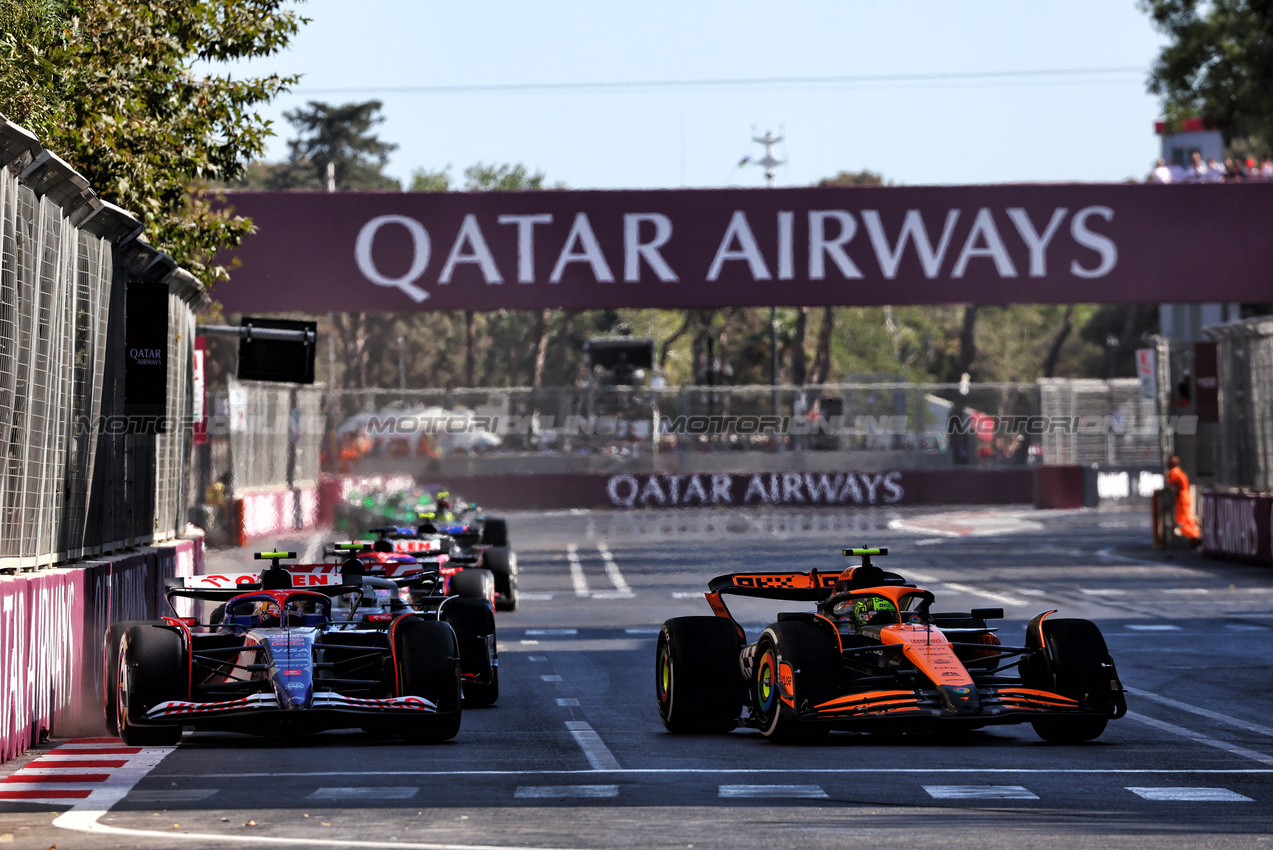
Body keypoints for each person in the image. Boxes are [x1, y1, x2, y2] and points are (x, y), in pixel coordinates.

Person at [1166, 455, 1201, 543]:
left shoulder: (1173, 472)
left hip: (1182, 497)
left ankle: (1194, 535)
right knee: (1186, 517)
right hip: (1185, 495)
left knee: (1184, 519)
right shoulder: (1179, 472)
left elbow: (1170, 484)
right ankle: (1193, 535)